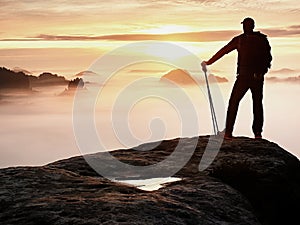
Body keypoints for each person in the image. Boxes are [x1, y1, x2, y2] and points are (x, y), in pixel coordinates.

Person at [203, 17, 272, 139]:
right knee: (257, 104)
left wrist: (209, 62)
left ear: (246, 26)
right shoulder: (262, 40)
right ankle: (257, 134)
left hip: (244, 76)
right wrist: (261, 72)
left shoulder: (239, 40)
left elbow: (223, 51)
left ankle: (228, 132)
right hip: (257, 77)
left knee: (234, 102)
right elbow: (268, 58)